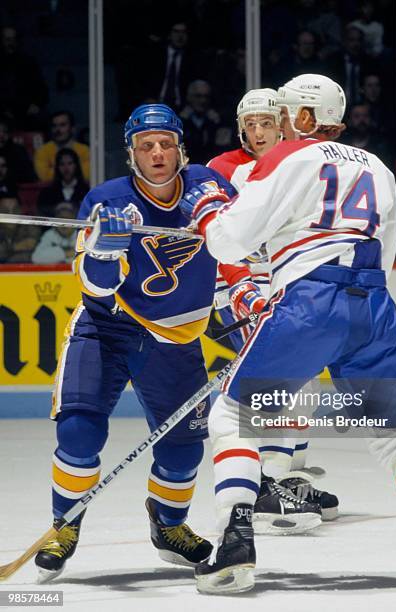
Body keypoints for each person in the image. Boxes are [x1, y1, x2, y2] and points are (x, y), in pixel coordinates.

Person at [180, 74, 396, 594]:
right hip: (375, 307)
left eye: (285, 113)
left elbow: (228, 243)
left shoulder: (288, 158)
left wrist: (206, 208)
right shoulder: (381, 169)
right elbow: (381, 256)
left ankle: (234, 543)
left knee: (233, 414)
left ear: (302, 118)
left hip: (310, 302)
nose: (277, 124)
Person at [33, 104, 236, 582]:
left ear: (181, 149)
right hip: (107, 328)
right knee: (79, 434)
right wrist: (105, 251)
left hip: (176, 335)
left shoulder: (211, 188)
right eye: (147, 146)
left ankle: (169, 526)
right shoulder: (106, 201)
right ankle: (64, 525)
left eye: (166, 143)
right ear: (132, 154)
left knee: (184, 450)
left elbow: (238, 248)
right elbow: (96, 286)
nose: (158, 152)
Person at [208, 88, 338, 531]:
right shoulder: (222, 169)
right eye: (251, 125)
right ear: (240, 128)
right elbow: (222, 238)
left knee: (301, 384)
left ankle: (284, 479)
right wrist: (242, 288)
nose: (259, 132)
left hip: (286, 288)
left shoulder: (300, 161)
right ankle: (269, 488)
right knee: (279, 387)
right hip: (240, 292)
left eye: (267, 122)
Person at [34, 111, 90, 182]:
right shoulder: (42, 151)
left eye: (62, 125)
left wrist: (54, 170)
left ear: (72, 128)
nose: (58, 130)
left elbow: (86, 174)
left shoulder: (84, 150)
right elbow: (44, 176)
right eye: (54, 126)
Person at [37, 148, 89, 218]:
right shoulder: (47, 193)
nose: (66, 168)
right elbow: (42, 213)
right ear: (57, 167)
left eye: (70, 163)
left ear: (76, 165)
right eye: (62, 164)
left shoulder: (86, 191)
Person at [0, 195, 40, 262]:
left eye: (15, 210)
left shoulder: (30, 228)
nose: (11, 215)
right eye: (5, 211)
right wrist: (14, 248)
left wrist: (7, 251)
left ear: (20, 210)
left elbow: (32, 255)